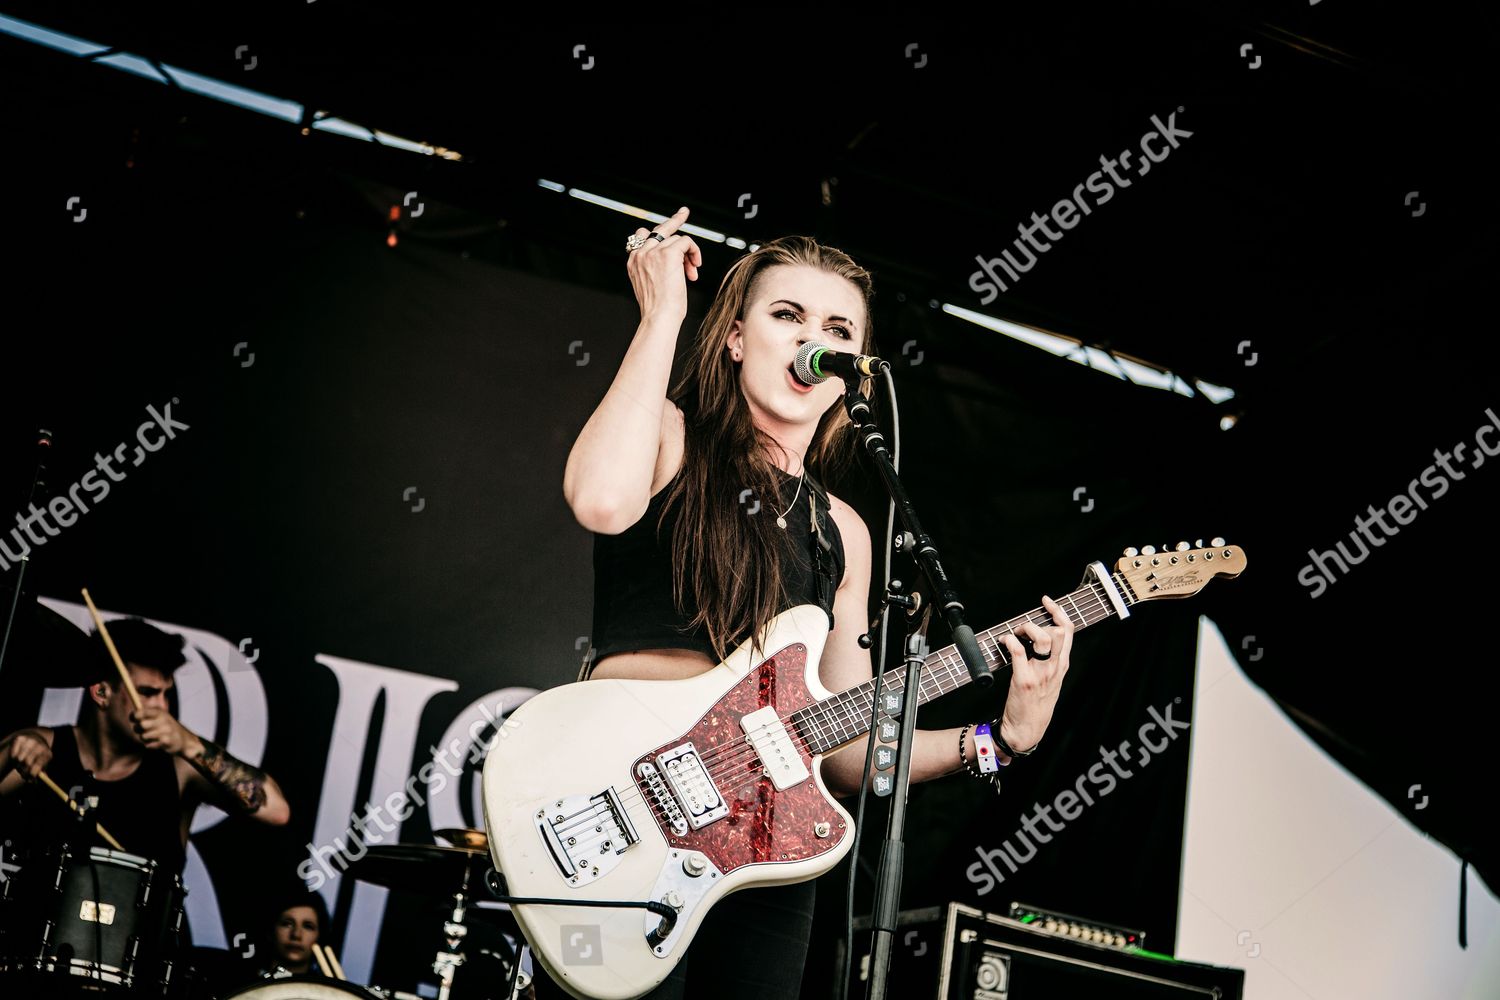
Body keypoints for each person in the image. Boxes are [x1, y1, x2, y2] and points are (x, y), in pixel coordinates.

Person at [537, 208, 1075, 999]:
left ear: (855, 364)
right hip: (623, 816)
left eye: (836, 327)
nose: (808, 338)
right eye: (785, 316)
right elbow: (600, 500)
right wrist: (662, 317)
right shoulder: (669, 436)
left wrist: (998, 740)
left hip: (763, 856)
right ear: (734, 337)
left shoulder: (845, 532)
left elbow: (843, 748)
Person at [0, 616, 290, 873]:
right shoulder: (46, 746)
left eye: (166, 694)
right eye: (148, 693)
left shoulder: (180, 768)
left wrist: (189, 744)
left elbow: (275, 810)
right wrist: (11, 753)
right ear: (102, 692)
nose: (161, 706)